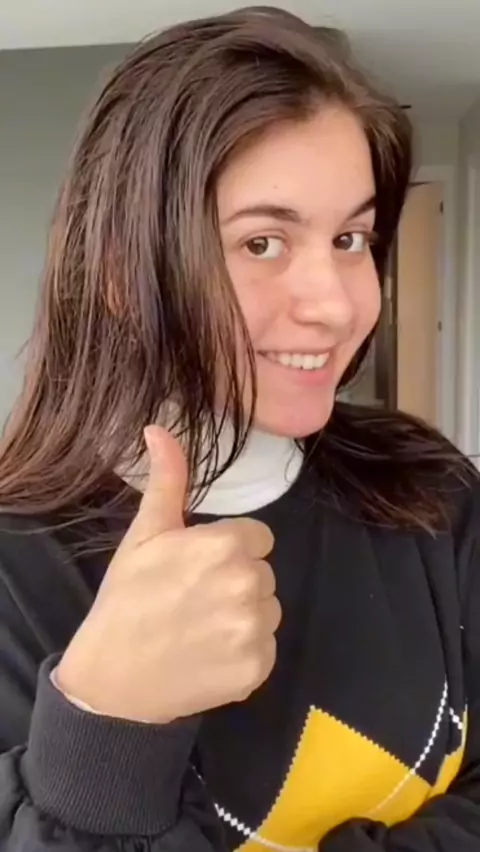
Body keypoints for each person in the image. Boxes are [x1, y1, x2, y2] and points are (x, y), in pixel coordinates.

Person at [0, 6, 479, 852]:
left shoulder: (433, 492)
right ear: (119, 274)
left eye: (351, 237)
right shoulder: (18, 571)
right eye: (262, 242)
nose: (338, 305)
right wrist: (105, 728)